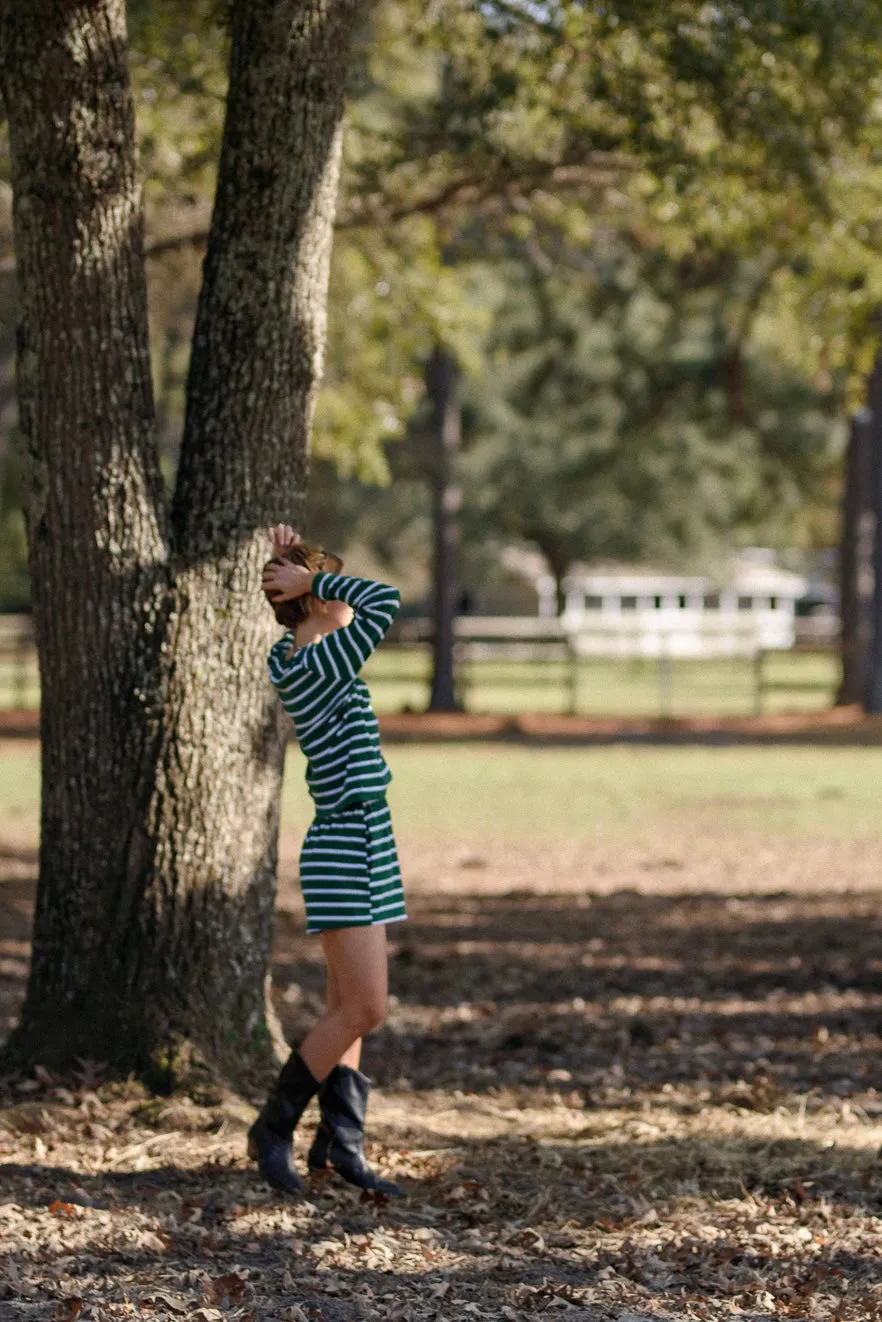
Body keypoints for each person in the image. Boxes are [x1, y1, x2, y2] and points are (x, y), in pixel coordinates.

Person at [248, 524, 407, 1197]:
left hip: (366, 840)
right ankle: (273, 1129)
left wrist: (297, 555)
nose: (342, 596)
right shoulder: (320, 661)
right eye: (329, 587)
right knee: (365, 1009)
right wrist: (314, 578)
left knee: (346, 1003)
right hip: (345, 844)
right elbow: (387, 600)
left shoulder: (303, 656)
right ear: (315, 603)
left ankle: (342, 1143)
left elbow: (358, 602)